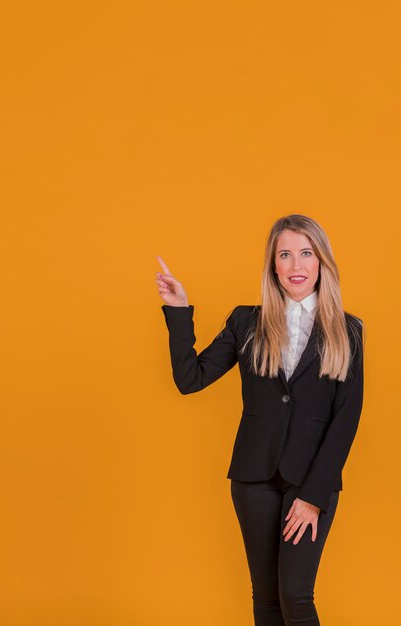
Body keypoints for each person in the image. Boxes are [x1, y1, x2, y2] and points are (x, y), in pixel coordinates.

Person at [155, 214, 365, 626]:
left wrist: (314, 496)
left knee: (296, 596)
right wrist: (178, 310)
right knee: (266, 598)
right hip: (254, 478)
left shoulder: (348, 330)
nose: (295, 265)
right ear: (273, 265)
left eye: (305, 253)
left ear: (321, 261)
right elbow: (190, 379)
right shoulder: (245, 322)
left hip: (310, 481)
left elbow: (347, 418)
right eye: (284, 255)